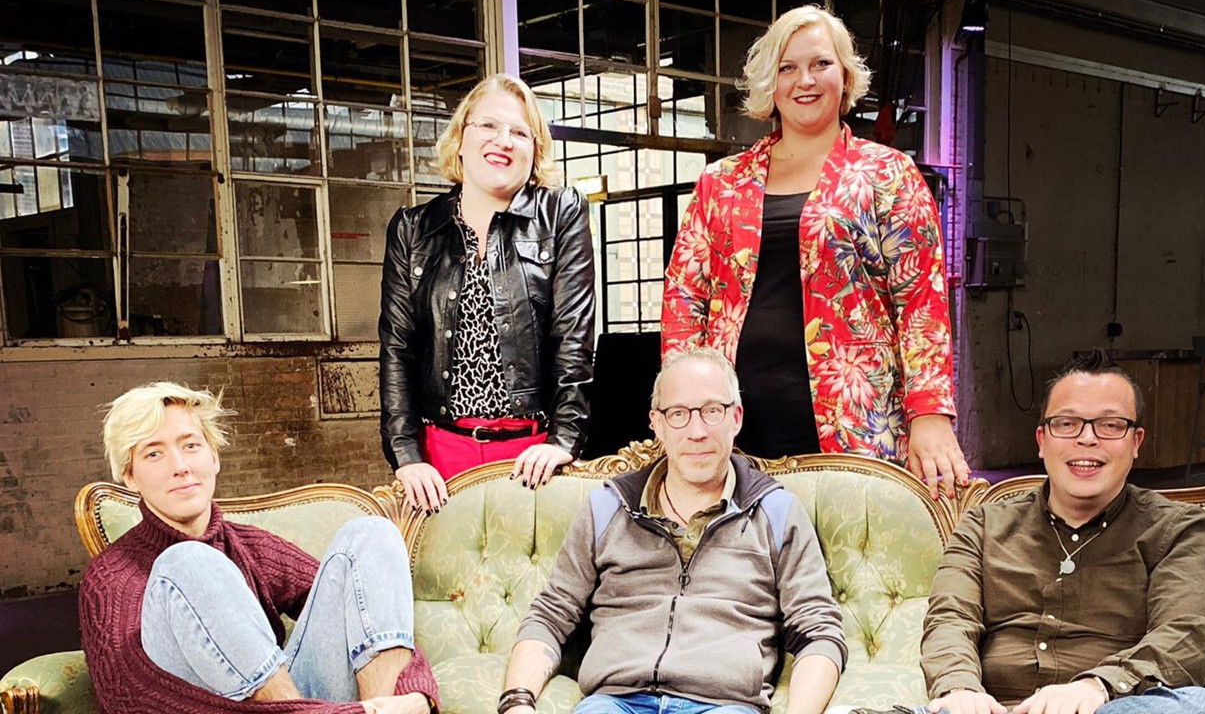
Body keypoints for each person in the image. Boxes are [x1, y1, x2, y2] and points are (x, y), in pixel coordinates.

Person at [661, 5, 966, 499]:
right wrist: (681, 407)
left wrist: (930, 412)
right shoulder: (721, 183)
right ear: (771, 82)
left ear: (845, 76)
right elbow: (684, 298)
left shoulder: (888, 174)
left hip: (857, 419)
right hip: (731, 428)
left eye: (820, 63)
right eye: (788, 67)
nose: (805, 80)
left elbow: (920, 302)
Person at [500, 347, 847, 714]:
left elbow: (819, 633)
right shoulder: (607, 508)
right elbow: (551, 615)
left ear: (736, 417)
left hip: (724, 705)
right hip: (614, 702)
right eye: (678, 414)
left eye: (712, 411)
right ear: (657, 423)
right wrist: (517, 701)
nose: (697, 432)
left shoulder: (777, 512)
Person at [79, 382, 438, 714]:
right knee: (187, 560)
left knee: (371, 534)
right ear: (130, 476)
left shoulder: (250, 547)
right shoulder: (110, 577)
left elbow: (364, 611)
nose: (180, 467)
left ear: (214, 456)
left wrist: (416, 695)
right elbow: (129, 699)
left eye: (190, 446)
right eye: (154, 454)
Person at [915, 353, 1205, 714]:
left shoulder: (1178, 529)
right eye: (1066, 424)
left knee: (1197, 708)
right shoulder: (983, 525)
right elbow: (950, 618)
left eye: (1110, 425)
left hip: (1109, 707)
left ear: (1136, 442)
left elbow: (1188, 632)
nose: (1087, 439)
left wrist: (1098, 686)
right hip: (994, 709)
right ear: (1042, 440)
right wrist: (959, 689)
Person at [379, 73, 595, 511]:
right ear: (460, 139)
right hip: (439, 456)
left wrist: (563, 440)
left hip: (533, 455)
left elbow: (574, 336)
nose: (504, 141)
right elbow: (397, 348)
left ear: (535, 150)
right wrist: (406, 456)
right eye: (489, 126)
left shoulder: (561, 214)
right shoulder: (412, 229)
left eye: (520, 132)